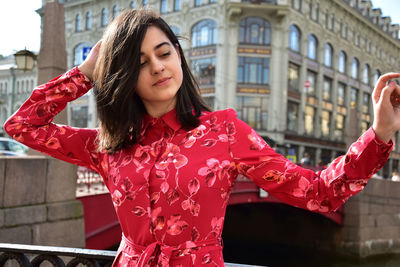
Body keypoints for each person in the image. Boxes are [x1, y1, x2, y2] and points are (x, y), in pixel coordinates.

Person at [3, 9, 400, 267]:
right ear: (123, 77)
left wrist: (379, 134)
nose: (158, 67)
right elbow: (22, 126)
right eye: (140, 62)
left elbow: (318, 193)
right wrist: (86, 73)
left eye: (164, 52)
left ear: (178, 54)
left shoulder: (224, 132)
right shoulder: (108, 144)